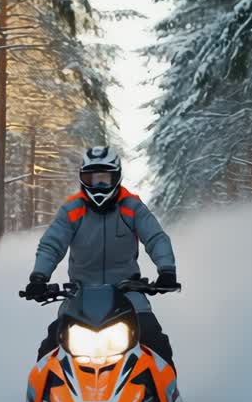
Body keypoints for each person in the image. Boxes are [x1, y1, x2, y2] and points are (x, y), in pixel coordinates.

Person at [23, 146, 180, 366]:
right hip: (79, 295)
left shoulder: (132, 207)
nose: (98, 185)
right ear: (82, 178)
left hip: (128, 293)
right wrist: (39, 277)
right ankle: (45, 390)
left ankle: (167, 389)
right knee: (49, 350)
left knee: (157, 344)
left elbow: (156, 238)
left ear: (116, 177)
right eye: (92, 178)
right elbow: (52, 244)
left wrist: (166, 270)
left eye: (104, 179)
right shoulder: (72, 209)